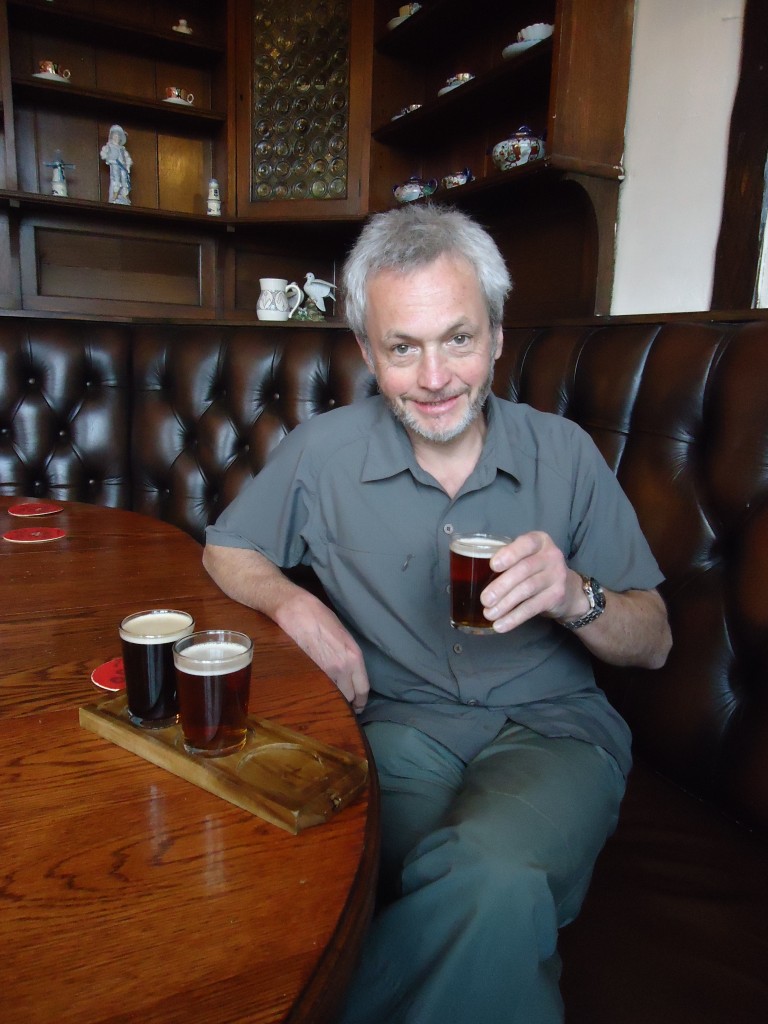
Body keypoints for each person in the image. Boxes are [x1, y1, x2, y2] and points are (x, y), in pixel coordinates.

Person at [203, 204, 672, 1024]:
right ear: (366, 354)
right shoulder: (324, 452)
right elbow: (224, 550)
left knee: (489, 873)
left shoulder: (564, 453)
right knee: (450, 886)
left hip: (555, 730)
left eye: (457, 338)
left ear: (495, 335)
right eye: (402, 348)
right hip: (398, 727)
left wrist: (573, 595)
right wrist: (291, 601)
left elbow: (656, 642)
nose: (434, 377)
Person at [100, 125, 132, 205]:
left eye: (118, 136)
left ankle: (125, 195)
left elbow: (127, 158)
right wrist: (107, 157)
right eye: (115, 136)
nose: (116, 138)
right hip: (115, 165)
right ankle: (114, 196)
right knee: (116, 180)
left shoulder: (122, 149)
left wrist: (128, 166)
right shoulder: (109, 147)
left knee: (124, 181)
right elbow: (104, 154)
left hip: (123, 167)